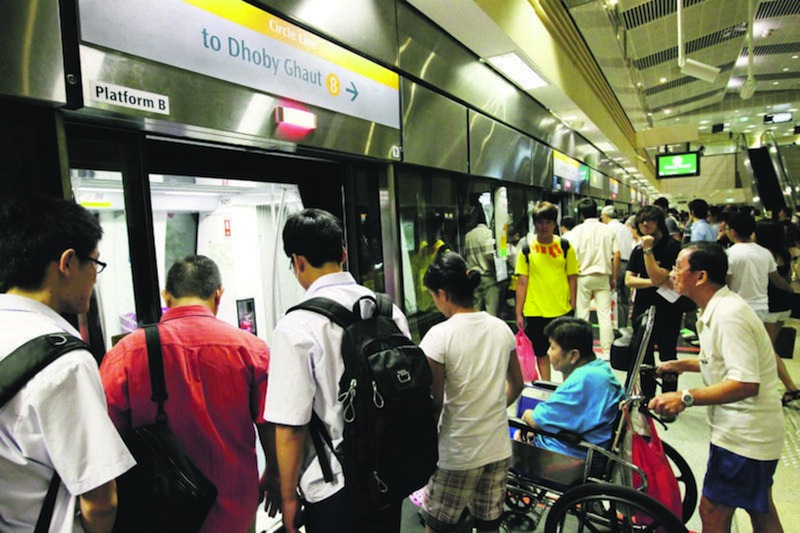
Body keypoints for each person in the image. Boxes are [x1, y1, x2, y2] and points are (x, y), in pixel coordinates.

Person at [100, 255, 273, 532]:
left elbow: (104, 438)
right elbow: (269, 424)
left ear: (166, 297)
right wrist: (275, 475)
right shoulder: (250, 349)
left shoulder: (127, 353)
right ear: (218, 295)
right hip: (235, 507)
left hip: (160, 509)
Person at [265, 208, 412, 533]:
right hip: (391, 472)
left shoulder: (295, 327)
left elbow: (290, 428)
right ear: (343, 253)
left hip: (334, 488)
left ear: (298, 261)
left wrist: (288, 498)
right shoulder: (390, 311)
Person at [0, 196, 136, 532]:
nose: (94, 277)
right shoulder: (65, 362)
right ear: (67, 262)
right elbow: (101, 499)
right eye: (94, 264)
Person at [649, 241, 784, 533]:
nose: (672, 274)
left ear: (700, 276)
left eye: (679, 268)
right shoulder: (716, 307)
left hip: (745, 436)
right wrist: (681, 365)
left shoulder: (728, 315)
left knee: (712, 511)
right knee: (759, 508)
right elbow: (723, 362)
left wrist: (685, 397)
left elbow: (746, 382)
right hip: (745, 433)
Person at [418, 250, 523, 533]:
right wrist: (491, 406)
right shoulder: (501, 328)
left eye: (433, 297)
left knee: (437, 526)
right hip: (498, 448)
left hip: (458, 451)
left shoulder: (439, 336)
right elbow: (518, 384)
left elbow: (435, 401)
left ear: (443, 293)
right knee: (488, 526)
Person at [520, 317, 623, 459]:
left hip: (568, 456)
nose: (548, 352)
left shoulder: (582, 381)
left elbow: (536, 420)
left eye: (553, 347)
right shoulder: (598, 369)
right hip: (580, 445)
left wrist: (526, 416)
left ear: (573, 355)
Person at [625, 206, 693, 411]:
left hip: (668, 308)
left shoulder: (673, 247)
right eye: (642, 221)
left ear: (659, 222)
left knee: (667, 354)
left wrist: (648, 251)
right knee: (643, 354)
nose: (645, 225)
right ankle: (647, 398)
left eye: (650, 221)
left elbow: (658, 275)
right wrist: (653, 282)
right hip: (643, 307)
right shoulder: (637, 248)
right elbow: (629, 280)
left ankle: (669, 399)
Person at [515, 201, 579, 382]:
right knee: (541, 353)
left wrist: (572, 303)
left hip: (561, 309)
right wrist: (518, 312)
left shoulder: (565, 247)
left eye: (548, 222)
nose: (544, 226)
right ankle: (547, 387)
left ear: (554, 223)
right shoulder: (527, 250)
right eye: (540, 222)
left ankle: (567, 389)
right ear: (534, 223)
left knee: (565, 353)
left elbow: (572, 277)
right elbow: (522, 282)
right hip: (535, 310)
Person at [569, 198, 620, 359]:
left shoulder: (576, 231)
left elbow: (572, 255)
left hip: (582, 276)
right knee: (604, 314)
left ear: (581, 214)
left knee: (582, 315)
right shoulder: (607, 230)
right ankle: (607, 352)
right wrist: (614, 277)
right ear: (597, 212)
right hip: (603, 275)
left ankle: (583, 349)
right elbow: (616, 254)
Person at [602, 205, 634, 330]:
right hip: (628, 264)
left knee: (616, 295)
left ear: (606, 216)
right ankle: (624, 325)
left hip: (616, 264)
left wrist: (613, 276)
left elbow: (614, 252)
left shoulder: (607, 229)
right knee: (625, 298)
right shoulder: (625, 228)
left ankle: (618, 327)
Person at [463, 208, 500, 316]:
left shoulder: (468, 236)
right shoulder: (489, 234)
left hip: (473, 278)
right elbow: (489, 256)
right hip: (488, 278)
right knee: (491, 313)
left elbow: (465, 256)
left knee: (475, 313)